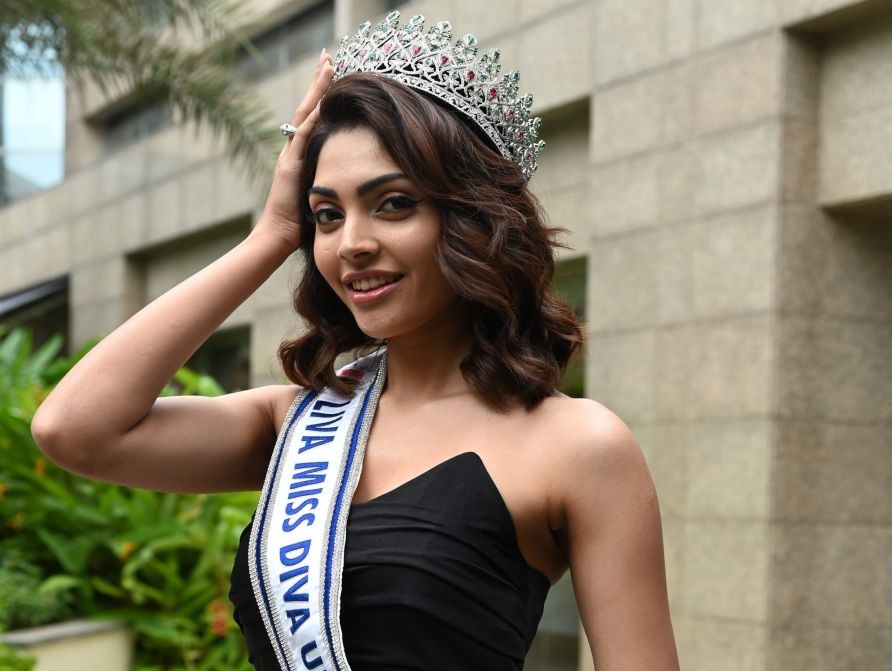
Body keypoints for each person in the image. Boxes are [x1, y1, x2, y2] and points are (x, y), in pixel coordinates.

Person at [32, 10, 679, 671]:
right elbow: (73, 428)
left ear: (471, 219)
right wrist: (271, 235)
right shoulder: (294, 421)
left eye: (393, 202)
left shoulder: (576, 445)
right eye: (327, 215)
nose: (352, 244)